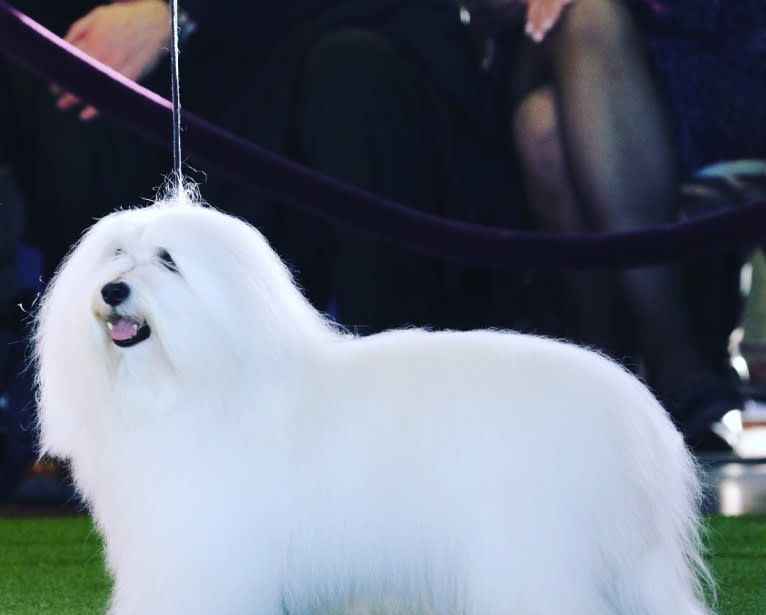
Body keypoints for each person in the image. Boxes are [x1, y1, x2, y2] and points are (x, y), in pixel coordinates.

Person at [0, 0, 526, 500]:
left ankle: (401, 437)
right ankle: (108, 433)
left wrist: (176, 15)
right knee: (68, 76)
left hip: (320, 52)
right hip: (180, 95)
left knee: (355, 79)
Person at [466, 0, 749, 450]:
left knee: (546, 131)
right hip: (534, 47)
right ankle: (665, 359)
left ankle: (615, 363)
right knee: (585, 25)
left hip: (693, 51)